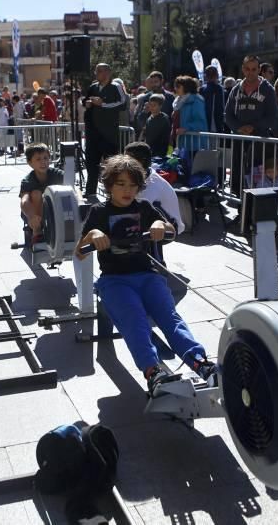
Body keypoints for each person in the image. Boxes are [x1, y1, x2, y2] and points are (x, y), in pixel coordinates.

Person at [75, 155, 215, 394]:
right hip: (115, 281)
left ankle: (201, 363)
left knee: (170, 318)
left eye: (132, 185)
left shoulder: (144, 208)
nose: (127, 190)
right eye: (121, 184)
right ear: (109, 186)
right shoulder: (99, 212)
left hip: (148, 276)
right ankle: (153, 371)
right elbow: (80, 252)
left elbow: (168, 228)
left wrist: (161, 226)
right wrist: (94, 235)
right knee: (135, 320)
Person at [225, 55, 278, 197]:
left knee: (257, 179)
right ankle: (239, 208)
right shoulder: (235, 90)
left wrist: (253, 127)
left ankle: (254, 211)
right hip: (239, 141)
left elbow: (272, 117)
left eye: (254, 69)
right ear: (243, 69)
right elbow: (228, 114)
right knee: (238, 175)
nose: (251, 72)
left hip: (260, 142)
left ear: (259, 70)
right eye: (247, 69)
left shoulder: (268, 90)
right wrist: (237, 127)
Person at [84, 63, 128, 198]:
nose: (98, 74)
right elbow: (85, 100)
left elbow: (123, 103)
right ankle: (90, 192)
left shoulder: (116, 87)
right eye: (97, 71)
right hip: (92, 133)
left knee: (112, 166)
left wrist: (102, 104)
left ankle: (113, 193)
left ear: (108, 73)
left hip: (108, 134)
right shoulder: (93, 87)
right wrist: (87, 103)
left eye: (102, 71)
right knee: (91, 164)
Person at [124, 141, 185, 234]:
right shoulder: (142, 175)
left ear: (141, 161)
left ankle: (150, 246)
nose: (124, 163)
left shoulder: (153, 185)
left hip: (170, 226)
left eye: (127, 159)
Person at [19, 143, 64, 243]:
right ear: (30, 163)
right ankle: (37, 231)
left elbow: (73, 187)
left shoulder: (58, 174)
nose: (43, 162)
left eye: (45, 158)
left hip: (54, 210)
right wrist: (31, 217)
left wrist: (80, 199)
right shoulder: (27, 180)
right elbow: (24, 201)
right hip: (33, 215)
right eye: (38, 159)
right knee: (36, 194)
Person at [172, 75, 208, 151]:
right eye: (175, 86)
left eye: (178, 86)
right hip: (181, 143)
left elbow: (200, 122)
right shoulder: (177, 102)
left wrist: (186, 128)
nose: (175, 88)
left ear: (186, 87)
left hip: (194, 144)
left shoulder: (196, 101)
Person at [133, 71, 175, 138]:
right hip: (150, 135)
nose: (153, 84)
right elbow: (139, 119)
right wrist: (145, 112)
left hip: (166, 135)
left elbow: (173, 117)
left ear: (162, 81)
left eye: (156, 82)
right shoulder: (145, 98)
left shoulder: (170, 97)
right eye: (151, 82)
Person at [142, 93, 171, 158]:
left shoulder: (164, 118)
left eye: (154, 105)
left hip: (160, 151)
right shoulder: (149, 118)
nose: (151, 107)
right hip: (150, 151)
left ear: (160, 106)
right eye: (150, 105)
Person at [200, 65, 225, 133]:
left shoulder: (202, 89)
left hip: (205, 122)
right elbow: (221, 107)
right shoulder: (219, 88)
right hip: (214, 123)